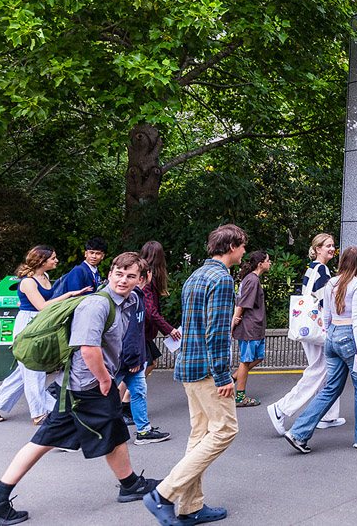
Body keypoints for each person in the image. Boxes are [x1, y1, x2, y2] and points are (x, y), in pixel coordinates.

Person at [0, 252, 161, 525]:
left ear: (141, 280)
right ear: (109, 274)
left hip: (80, 386)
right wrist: (106, 380)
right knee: (106, 431)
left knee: (62, 438)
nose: (123, 280)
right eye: (119, 273)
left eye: (131, 276)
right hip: (88, 385)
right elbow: (87, 348)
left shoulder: (130, 300)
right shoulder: (97, 305)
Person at [144, 224, 246, 526]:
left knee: (200, 435)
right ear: (230, 247)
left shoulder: (196, 276)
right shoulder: (222, 279)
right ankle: (163, 494)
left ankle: (191, 507)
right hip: (207, 370)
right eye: (241, 246)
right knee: (226, 430)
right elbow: (217, 331)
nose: (243, 252)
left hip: (189, 366)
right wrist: (223, 375)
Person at [283, 247, 357, 453]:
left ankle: (298, 432)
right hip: (351, 339)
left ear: (342, 262)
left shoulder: (331, 283)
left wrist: (330, 335)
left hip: (333, 337)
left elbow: (326, 316)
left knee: (331, 388)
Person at [0, 246, 90, 424]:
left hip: (40, 324)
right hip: (28, 326)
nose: (56, 260)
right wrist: (69, 294)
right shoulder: (28, 282)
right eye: (53, 258)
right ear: (42, 261)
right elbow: (42, 306)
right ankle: (39, 413)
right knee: (34, 371)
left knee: (25, 372)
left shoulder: (44, 277)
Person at [266, 233, 345, 435]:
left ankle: (328, 415)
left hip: (307, 325)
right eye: (327, 245)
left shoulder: (313, 268)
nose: (331, 248)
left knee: (323, 369)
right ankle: (281, 408)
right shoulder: (322, 269)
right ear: (317, 248)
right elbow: (323, 300)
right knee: (320, 369)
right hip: (317, 326)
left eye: (333, 245)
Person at [118, 269, 170, 445]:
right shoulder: (127, 300)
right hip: (122, 358)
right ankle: (77, 435)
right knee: (104, 395)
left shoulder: (137, 297)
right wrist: (134, 358)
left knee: (139, 391)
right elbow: (129, 332)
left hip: (133, 356)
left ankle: (143, 431)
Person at [232, 250, 271, 407]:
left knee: (258, 357)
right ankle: (240, 397)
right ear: (260, 264)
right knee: (246, 360)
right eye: (268, 261)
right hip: (249, 327)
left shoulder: (252, 279)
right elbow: (241, 303)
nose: (270, 263)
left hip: (254, 326)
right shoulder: (252, 280)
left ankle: (233, 379)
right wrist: (234, 321)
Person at [139, 240, 181, 376]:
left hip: (141, 331)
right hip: (139, 332)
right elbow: (150, 311)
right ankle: (126, 397)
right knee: (139, 368)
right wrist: (169, 329)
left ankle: (128, 396)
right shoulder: (147, 279)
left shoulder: (144, 275)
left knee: (151, 363)